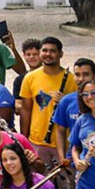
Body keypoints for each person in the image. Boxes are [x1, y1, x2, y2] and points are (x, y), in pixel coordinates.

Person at [19, 37, 78, 174]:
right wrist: (24, 139)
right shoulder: (30, 77)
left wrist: (65, 102)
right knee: (40, 185)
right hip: (37, 142)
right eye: (44, 50)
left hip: (63, 143)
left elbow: (79, 111)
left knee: (67, 188)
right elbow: (26, 110)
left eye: (53, 51)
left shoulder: (71, 79)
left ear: (60, 54)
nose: (48, 54)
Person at [12, 38, 43, 129]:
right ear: (24, 56)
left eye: (35, 54)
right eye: (28, 54)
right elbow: (17, 106)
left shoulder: (50, 75)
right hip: (29, 125)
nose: (31, 57)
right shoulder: (19, 80)